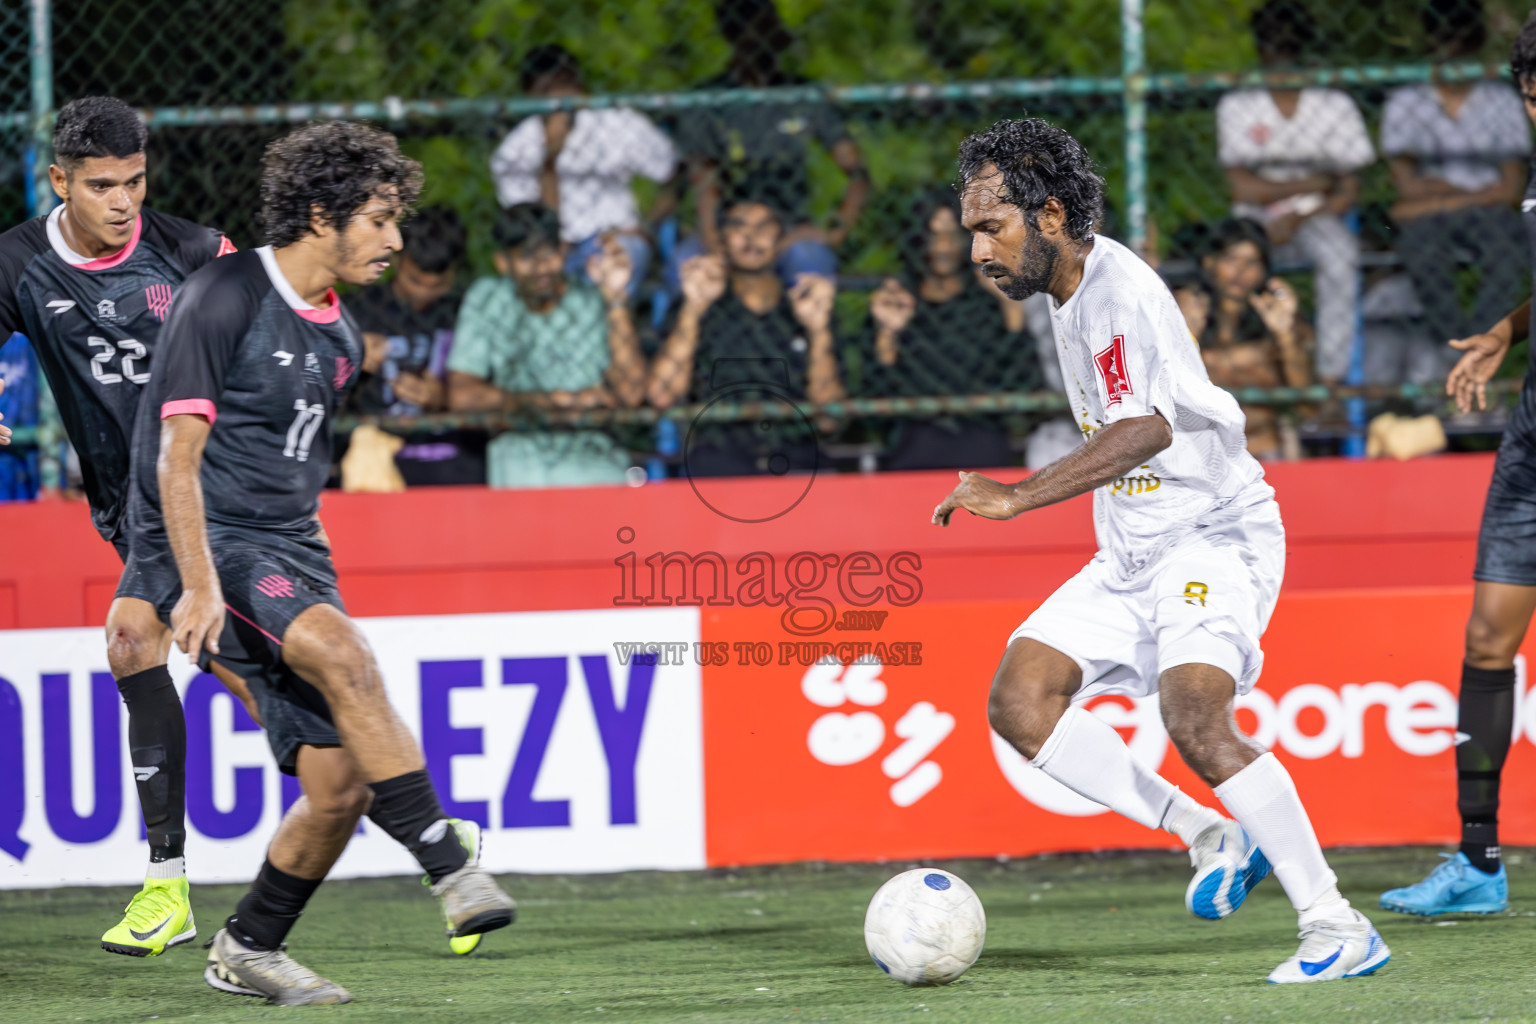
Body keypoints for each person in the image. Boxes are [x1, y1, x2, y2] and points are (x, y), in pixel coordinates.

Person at [933, 118, 1388, 983]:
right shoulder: (1067, 295)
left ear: (1052, 216)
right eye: (971, 232)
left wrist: (1019, 496)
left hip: (1213, 536)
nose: (979, 250)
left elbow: (1144, 427)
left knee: (1195, 717)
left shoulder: (1118, 292)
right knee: (1021, 700)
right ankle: (1207, 832)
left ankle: (1336, 923)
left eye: (992, 228)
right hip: (1135, 550)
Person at [118, 121, 516, 1005]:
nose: (397, 239)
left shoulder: (342, 339)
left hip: (288, 552)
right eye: (378, 219)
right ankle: (449, 866)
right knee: (347, 657)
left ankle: (248, 945)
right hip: (213, 544)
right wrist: (196, 582)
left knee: (337, 790)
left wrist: (314, 566)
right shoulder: (222, 294)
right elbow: (174, 460)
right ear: (320, 213)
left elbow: (298, 472)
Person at [0, 95, 237, 956]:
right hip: (126, 509)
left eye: (135, 181)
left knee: (133, 641)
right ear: (58, 180)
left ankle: (167, 885)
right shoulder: (19, 264)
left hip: (208, 490)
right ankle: (428, 826)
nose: (123, 202)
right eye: (101, 185)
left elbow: (269, 326)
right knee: (255, 679)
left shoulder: (197, 251)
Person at [1379, 10, 1536, 918]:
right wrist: (1507, 332)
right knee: (1487, 642)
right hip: (1533, 436)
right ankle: (1479, 862)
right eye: (1527, 93)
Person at [1216, 0, 1375, 385]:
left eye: (1288, 43)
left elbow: (1347, 190)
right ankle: (1237, 368)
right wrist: (1313, 183)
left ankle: (1330, 380)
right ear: (1260, 46)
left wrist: (1300, 213)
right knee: (1232, 264)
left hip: (1317, 217)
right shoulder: (1239, 104)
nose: (1280, 52)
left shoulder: (1332, 104)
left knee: (1342, 258)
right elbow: (1240, 186)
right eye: (1273, 43)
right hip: (1252, 221)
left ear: (1304, 46)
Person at [671, 0, 869, 289]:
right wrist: (716, 245)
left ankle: (812, 334)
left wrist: (833, 232)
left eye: (767, 36)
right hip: (726, 228)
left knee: (810, 263)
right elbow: (705, 183)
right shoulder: (709, 100)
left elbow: (857, 172)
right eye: (748, 37)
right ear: (733, 39)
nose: (759, 48)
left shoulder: (802, 95)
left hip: (789, 228)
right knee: (685, 267)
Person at [447, 202, 646, 488]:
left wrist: (615, 300)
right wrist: (561, 401)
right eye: (527, 256)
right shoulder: (488, 299)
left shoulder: (591, 301)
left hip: (593, 466)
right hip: (519, 469)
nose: (541, 268)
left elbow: (631, 392)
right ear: (503, 262)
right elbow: (462, 397)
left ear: (563, 253)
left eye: (549, 253)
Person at [648, 198, 841, 477]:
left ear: (782, 240)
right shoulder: (699, 309)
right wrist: (692, 309)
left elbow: (829, 420)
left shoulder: (807, 308)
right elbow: (661, 395)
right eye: (739, 228)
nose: (751, 238)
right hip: (718, 455)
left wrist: (819, 330)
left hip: (797, 452)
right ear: (722, 240)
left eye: (764, 228)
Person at [1382, 0, 1530, 352]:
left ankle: (1478, 348)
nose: (1451, 54)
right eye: (1443, 44)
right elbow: (1405, 185)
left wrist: (1441, 193)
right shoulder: (1406, 100)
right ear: (1430, 44)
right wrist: (1478, 192)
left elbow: (1511, 189)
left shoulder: (1501, 100)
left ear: (1475, 46)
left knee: (1508, 252)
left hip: (1482, 211)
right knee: (1423, 251)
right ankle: (1452, 351)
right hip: (1441, 213)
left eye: (1460, 45)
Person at [863, 190, 1037, 470]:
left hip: (981, 437)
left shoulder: (985, 306)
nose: (943, 246)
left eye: (951, 235)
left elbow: (1024, 386)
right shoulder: (897, 304)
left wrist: (1011, 310)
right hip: (914, 442)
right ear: (916, 240)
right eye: (932, 235)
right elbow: (874, 404)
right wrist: (887, 334)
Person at [490, 44, 677, 303]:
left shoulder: (615, 122)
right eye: (545, 91)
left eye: (565, 85)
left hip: (613, 235)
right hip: (551, 248)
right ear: (528, 95)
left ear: (580, 87)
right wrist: (550, 160)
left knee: (621, 259)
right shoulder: (513, 152)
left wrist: (647, 226)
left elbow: (674, 172)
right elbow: (535, 224)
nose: (558, 99)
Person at [345, 204, 484, 486]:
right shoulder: (355, 311)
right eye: (414, 280)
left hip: (452, 460)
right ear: (396, 260)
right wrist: (349, 358)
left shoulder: (468, 314)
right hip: (374, 458)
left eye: (438, 285)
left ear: (455, 273)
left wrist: (443, 398)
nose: (423, 293)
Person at [1174, 218, 1312, 460]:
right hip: (1197, 453)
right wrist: (1187, 338)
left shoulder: (1276, 318)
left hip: (1264, 451)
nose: (1240, 272)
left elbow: (1306, 406)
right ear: (1209, 262)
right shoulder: (1186, 310)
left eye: (1252, 262)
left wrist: (1286, 337)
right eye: (1230, 259)